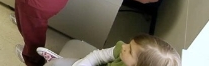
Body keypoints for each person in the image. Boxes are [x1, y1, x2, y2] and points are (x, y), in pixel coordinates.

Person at [36, 34, 181, 66]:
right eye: (129, 44)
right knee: (55, 65)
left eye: (129, 51)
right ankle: (56, 60)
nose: (124, 46)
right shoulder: (121, 49)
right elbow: (98, 56)